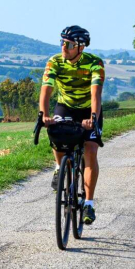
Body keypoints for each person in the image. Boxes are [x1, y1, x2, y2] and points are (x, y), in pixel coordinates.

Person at [39, 25, 104, 225]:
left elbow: (95, 95)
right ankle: (60, 167)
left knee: (90, 150)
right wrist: (44, 115)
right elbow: (46, 90)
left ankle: (89, 204)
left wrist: (92, 118)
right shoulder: (54, 62)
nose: (63, 48)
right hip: (65, 106)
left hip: (88, 109)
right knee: (56, 136)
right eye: (62, 43)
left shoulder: (95, 63)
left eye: (68, 44)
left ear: (80, 47)